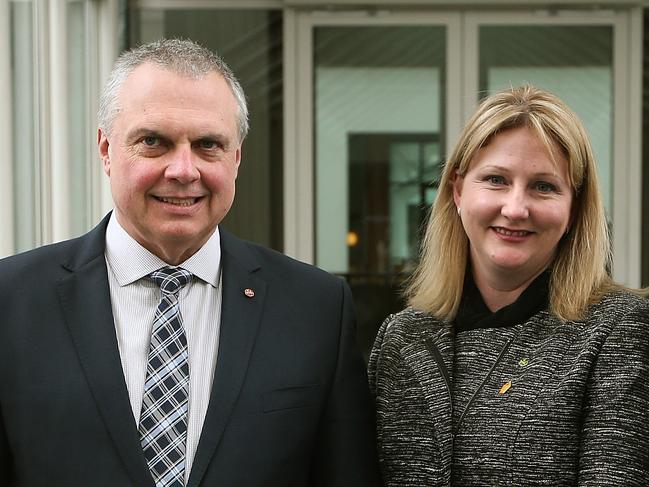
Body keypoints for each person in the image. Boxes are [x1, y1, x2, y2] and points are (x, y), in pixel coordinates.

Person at [0, 39, 380, 487]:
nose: (183, 170)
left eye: (207, 144)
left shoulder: (317, 309)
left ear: (235, 159)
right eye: (153, 142)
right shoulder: (11, 301)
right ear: (106, 150)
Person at [368, 85, 649, 486]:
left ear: (573, 208)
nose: (516, 208)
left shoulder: (619, 331)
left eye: (544, 186)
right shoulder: (402, 338)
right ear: (458, 191)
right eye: (496, 179)